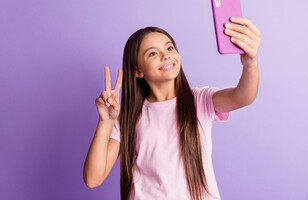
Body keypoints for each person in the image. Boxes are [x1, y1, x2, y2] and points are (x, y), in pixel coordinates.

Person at [83, 17, 261, 200]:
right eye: (152, 53)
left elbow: (243, 97)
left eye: (169, 48)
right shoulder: (129, 117)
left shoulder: (199, 100)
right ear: (138, 70)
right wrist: (106, 122)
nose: (166, 55)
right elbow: (93, 179)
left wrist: (250, 64)